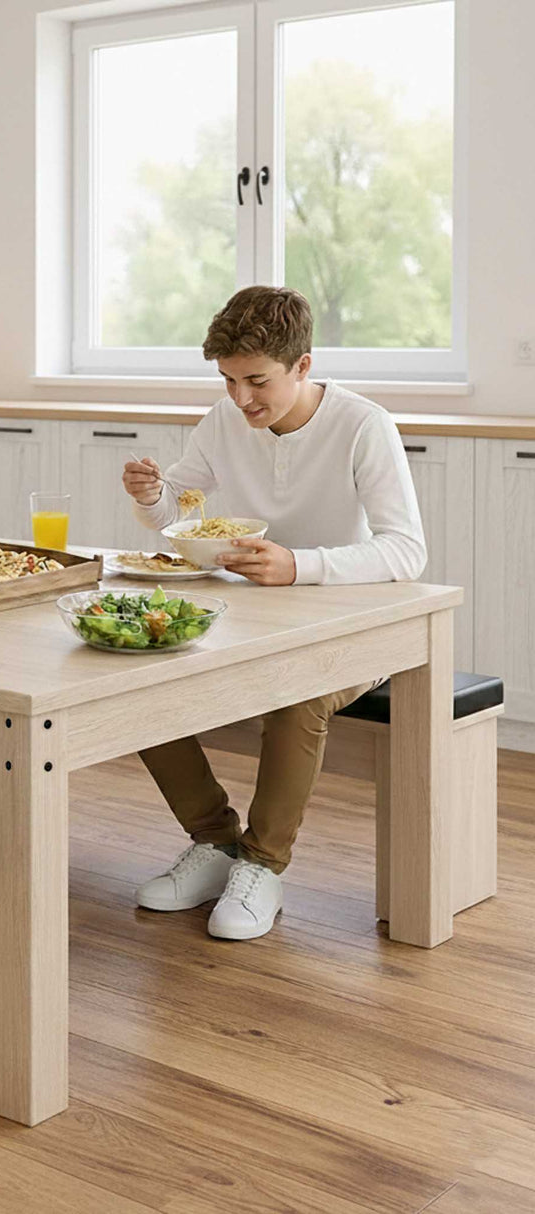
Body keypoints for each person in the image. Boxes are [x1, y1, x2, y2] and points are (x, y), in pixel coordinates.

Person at [121, 285, 426, 940]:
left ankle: (263, 863)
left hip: (351, 621)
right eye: (228, 380)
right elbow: (180, 512)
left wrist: (302, 565)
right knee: (137, 667)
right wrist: (151, 497)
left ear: (303, 365)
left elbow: (408, 551)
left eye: (256, 380)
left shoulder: (363, 425)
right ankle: (215, 843)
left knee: (299, 693)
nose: (240, 399)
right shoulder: (225, 418)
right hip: (250, 613)